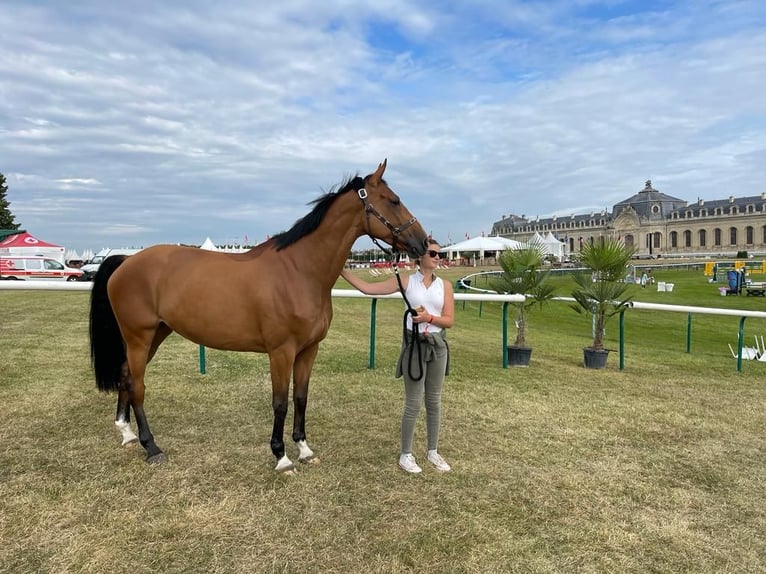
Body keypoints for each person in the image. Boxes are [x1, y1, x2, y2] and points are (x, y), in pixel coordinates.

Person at [340, 240, 455, 473]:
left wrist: (429, 319)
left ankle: (433, 451)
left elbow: (449, 321)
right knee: (413, 403)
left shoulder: (445, 286)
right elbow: (368, 288)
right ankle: (406, 454)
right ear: (419, 256)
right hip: (415, 346)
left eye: (439, 254)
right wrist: (340, 270)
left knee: (434, 400)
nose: (437, 257)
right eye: (432, 253)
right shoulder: (406, 281)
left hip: (438, 346)